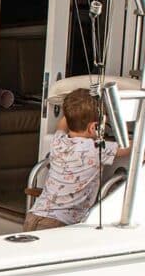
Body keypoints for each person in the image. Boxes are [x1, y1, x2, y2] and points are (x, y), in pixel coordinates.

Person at [24, 88, 130, 231]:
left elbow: (63, 123)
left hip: (34, 215)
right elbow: (132, 147)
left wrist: (75, 109)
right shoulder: (97, 148)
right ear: (93, 127)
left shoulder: (58, 140)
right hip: (60, 223)